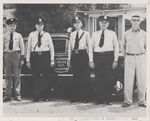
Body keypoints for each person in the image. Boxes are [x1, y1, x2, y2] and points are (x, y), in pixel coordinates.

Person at [91, 16, 119, 105]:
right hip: (98, 57)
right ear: (99, 24)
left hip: (108, 57)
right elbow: (91, 48)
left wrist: (115, 60)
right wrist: (91, 60)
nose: (103, 24)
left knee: (108, 78)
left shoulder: (112, 33)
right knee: (98, 78)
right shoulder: (95, 34)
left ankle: (108, 99)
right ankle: (99, 99)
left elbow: (116, 47)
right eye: (102, 23)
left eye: (105, 23)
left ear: (108, 24)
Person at [26, 18, 55, 102]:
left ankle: (46, 96)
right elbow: (28, 48)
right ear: (35, 26)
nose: (39, 27)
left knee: (46, 77)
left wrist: (52, 59)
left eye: (41, 25)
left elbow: (51, 48)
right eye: (38, 25)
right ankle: (36, 96)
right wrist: (28, 60)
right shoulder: (31, 35)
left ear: (43, 26)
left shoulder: (47, 35)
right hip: (35, 57)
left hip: (45, 56)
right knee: (36, 77)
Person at [68, 16, 94, 103]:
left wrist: (90, 60)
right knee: (76, 77)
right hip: (75, 56)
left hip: (83, 55)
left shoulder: (86, 34)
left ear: (82, 24)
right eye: (75, 23)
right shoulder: (72, 34)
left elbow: (89, 47)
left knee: (85, 77)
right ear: (73, 25)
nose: (77, 24)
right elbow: (69, 48)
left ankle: (85, 97)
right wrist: (69, 59)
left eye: (79, 23)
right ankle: (76, 97)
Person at [122, 15, 146, 108]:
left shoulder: (144, 34)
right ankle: (128, 101)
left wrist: (144, 57)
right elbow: (123, 46)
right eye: (134, 20)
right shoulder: (126, 33)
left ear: (140, 22)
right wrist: (126, 57)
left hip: (140, 58)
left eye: (137, 20)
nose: (135, 22)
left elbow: (147, 47)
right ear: (131, 22)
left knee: (141, 80)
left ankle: (142, 101)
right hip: (129, 57)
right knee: (128, 80)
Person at [3, 18, 25, 102]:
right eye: (10, 26)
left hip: (16, 55)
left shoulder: (19, 36)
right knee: (8, 76)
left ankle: (17, 95)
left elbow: (22, 47)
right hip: (7, 55)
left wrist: (22, 59)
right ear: (7, 27)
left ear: (15, 27)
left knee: (17, 76)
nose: (12, 27)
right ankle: (7, 95)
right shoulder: (4, 36)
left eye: (13, 26)